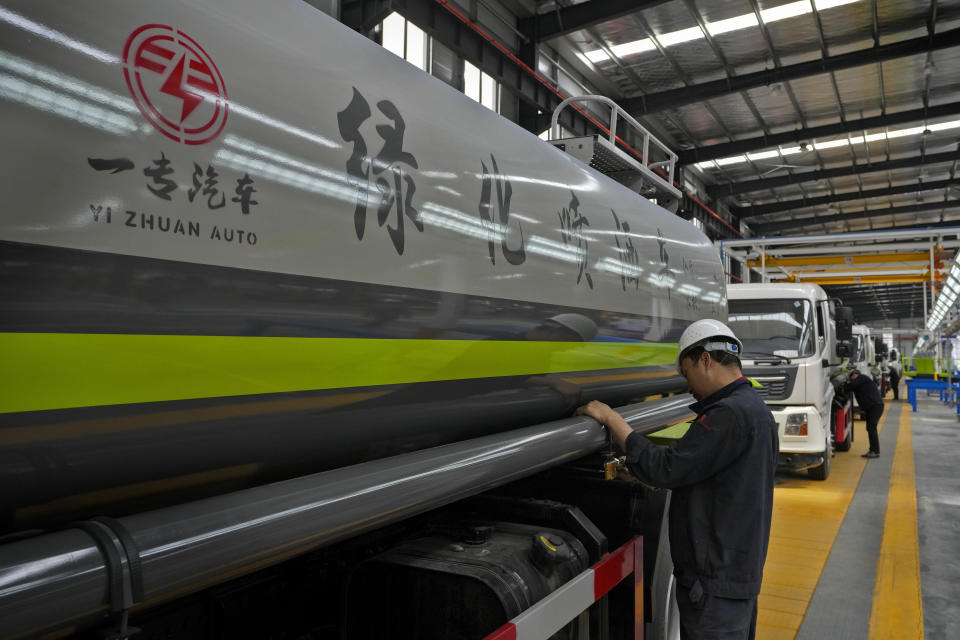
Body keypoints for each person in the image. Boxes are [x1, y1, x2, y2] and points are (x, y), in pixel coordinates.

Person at [576, 319, 778, 640]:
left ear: (705, 360)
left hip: (715, 582)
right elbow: (713, 478)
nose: (689, 386)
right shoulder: (753, 409)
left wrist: (611, 417)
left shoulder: (727, 414)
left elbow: (665, 467)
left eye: (686, 373)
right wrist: (648, 476)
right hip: (733, 575)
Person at [846, 370, 883, 458]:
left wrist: (846, 384)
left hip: (875, 406)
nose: (851, 379)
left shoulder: (862, 377)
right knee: (870, 428)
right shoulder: (861, 381)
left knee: (871, 428)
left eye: (852, 377)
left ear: (855, 375)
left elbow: (852, 385)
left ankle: (875, 451)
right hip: (872, 407)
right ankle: (873, 450)